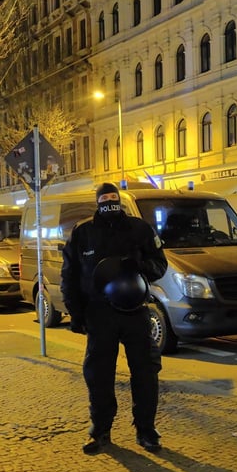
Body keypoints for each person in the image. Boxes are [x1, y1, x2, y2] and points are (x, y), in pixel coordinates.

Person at [61, 182, 168, 455]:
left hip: (135, 311)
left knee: (145, 373)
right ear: (96, 202)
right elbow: (69, 276)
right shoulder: (83, 233)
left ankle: (146, 430)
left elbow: (160, 263)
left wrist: (141, 267)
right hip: (99, 314)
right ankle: (100, 430)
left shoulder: (139, 229)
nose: (109, 202)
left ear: (120, 200)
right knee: (98, 375)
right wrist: (76, 313)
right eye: (104, 198)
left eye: (113, 198)